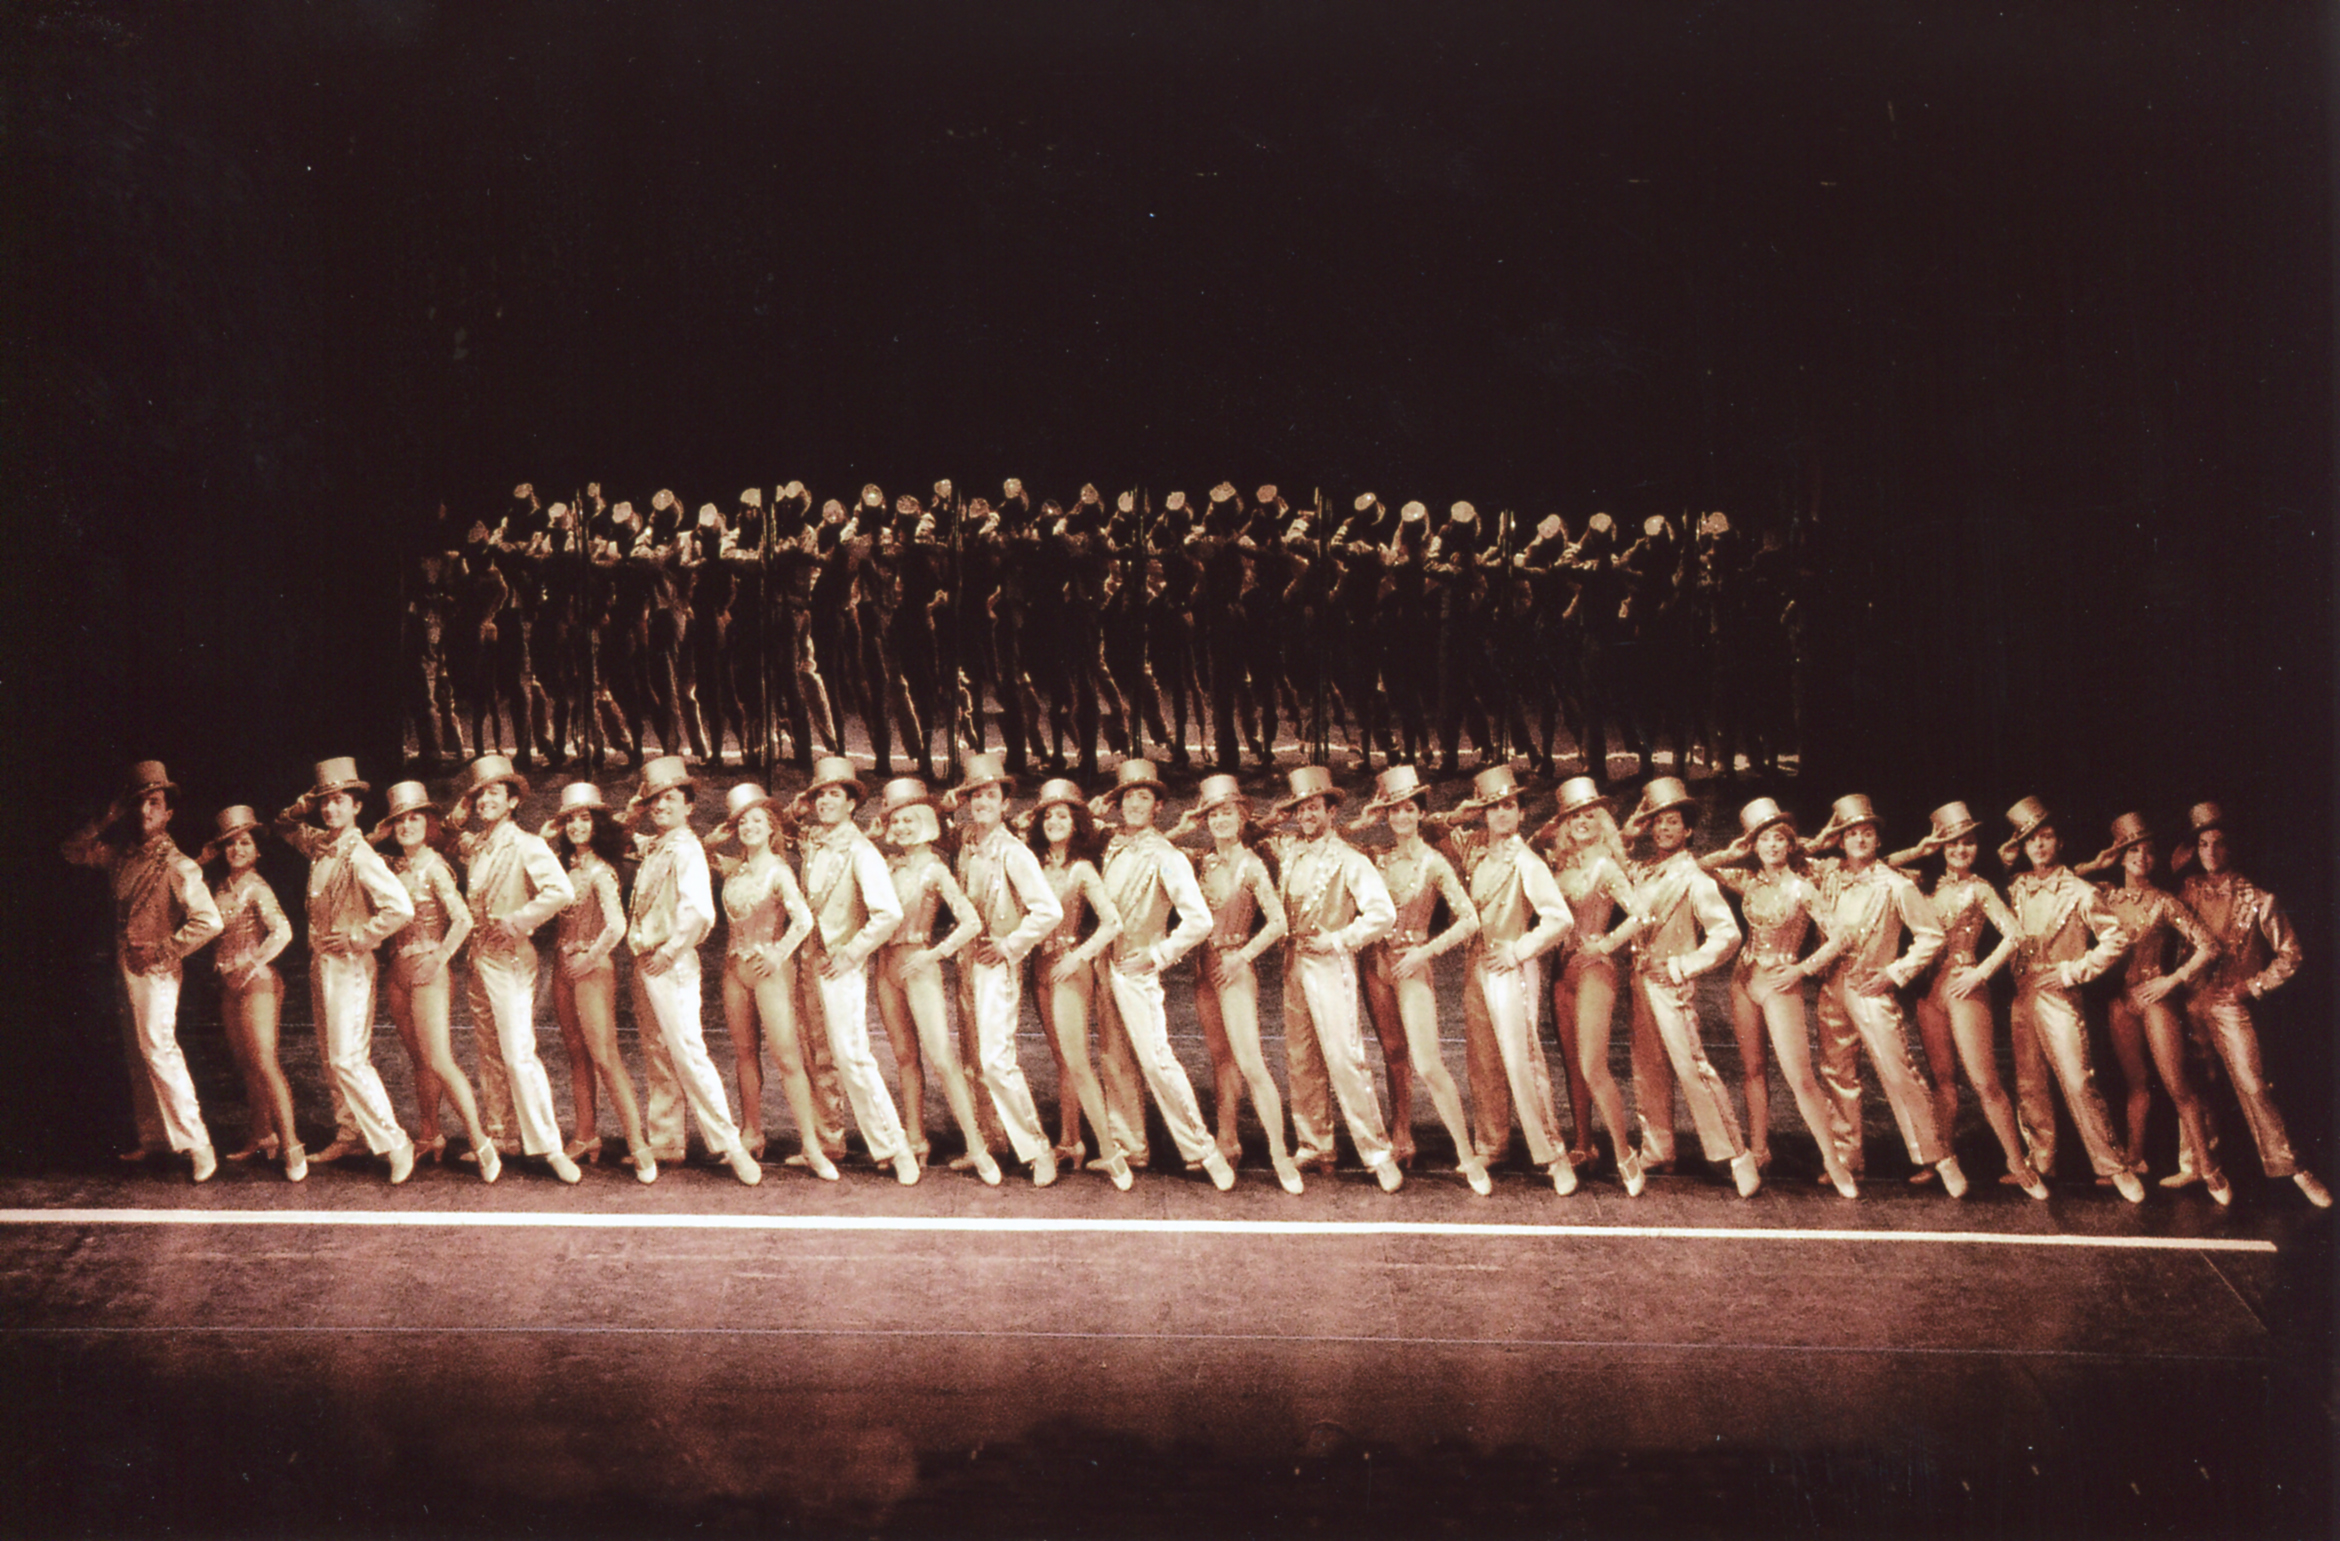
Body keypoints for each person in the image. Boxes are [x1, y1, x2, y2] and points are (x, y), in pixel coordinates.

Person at [1798, 794, 1969, 1196]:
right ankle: (1847, 1160)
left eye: (1867, 833)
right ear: (1840, 840)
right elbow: (1790, 854)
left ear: (1878, 839)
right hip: (1832, 987)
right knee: (1838, 1074)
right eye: (1851, 834)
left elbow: (1932, 937)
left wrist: (1893, 973)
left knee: (1898, 1071)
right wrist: (1823, 838)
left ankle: (1939, 1157)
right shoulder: (1828, 874)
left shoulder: (1896, 884)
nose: (1859, 840)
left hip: (1871, 987)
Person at [63, 762, 224, 1182]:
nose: (144, 812)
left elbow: (209, 921)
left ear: (169, 812)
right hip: (125, 964)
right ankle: (154, 1137)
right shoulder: (122, 857)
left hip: (156, 968)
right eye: (138, 803)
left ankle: (198, 1142)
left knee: (158, 1047)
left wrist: (163, 949)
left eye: (154, 803)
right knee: (138, 1050)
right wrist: (108, 817)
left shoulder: (178, 864)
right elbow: (72, 851)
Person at [947, 754, 1102, 1186]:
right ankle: (990, 1142)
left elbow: (1048, 911)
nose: (981, 802)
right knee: (973, 1060)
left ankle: (1037, 1148)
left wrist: (1010, 945)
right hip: (967, 962)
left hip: (996, 963)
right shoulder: (967, 842)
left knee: (996, 1060)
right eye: (975, 795)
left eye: (989, 795)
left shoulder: (1013, 852)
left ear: (1005, 804)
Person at [1885, 802, 2050, 1199]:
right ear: (1941, 847)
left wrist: (1980, 972)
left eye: (1969, 842)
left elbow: (2015, 935)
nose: (1961, 850)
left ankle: (2019, 1164)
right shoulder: (1920, 883)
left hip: (1964, 986)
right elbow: (1880, 866)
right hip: (1929, 991)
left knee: (1984, 1081)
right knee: (1942, 1082)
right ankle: (1942, 1158)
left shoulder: (1980, 887)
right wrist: (1919, 850)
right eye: (1953, 843)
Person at [2172, 802, 2331, 1208]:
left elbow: (2291, 954)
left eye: (2218, 843)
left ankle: (2293, 1168)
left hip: (2228, 1003)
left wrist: (2253, 986)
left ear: (2231, 847)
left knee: (2254, 1084)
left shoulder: (2259, 899)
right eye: (2202, 844)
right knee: (2192, 1082)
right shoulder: (2187, 889)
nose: (2210, 852)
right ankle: (2196, 1163)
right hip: (2189, 1002)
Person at [1431, 765, 1580, 1195]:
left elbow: (1560, 919)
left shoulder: (1527, 862)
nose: (1500, 813)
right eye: (1493, 807)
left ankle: (1554, 1154)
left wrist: (1518, 950)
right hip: (1477, 964)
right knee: (1482, 1058)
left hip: (1510, 965)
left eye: (1508, 805)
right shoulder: (1475, 848)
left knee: (1522, 1061)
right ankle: (1492, 1144)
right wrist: (1462, 812)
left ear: (1521, 813)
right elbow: (1434, 828)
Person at [1088, 758, 1236, 1188]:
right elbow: (1082, 823)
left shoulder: (1167, 857)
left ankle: (1203, 1149)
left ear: (1158, 806)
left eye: (1143, 797)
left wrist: (1158, 954)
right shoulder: (1112, 844)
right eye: (1127, 797)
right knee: (1114, 1056)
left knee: (1156, 1059)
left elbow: (1199, 920)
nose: (1134, 805)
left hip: (1136, 968)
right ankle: (1130, 1145)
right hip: (1106, 964)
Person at [1700, 797, 1859, 1197]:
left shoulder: (1802, 888)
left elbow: (1842, 936)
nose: (1771, 845)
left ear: (1790, 844)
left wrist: (1801, 969)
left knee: (1800, 1078)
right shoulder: (1749, 881)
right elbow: (1700, 867)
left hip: (1781, 982)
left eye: (1778, 838)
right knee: (1752, 1070)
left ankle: (1834, 1161)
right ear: (1753, 846)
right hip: (1743, 979)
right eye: (1763, 839)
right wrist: (1731, 851)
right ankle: (1759, 1150)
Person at [871, 776, 1025, 1185]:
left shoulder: (935, 868)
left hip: (920, 965)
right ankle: (915, 1138)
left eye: (909, 819)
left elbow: (971, 922)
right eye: (895, 821)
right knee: (904, 1057)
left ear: (924, 819)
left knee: (942, 1059)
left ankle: (977, 1146)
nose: (901, 827)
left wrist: (934, 954)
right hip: (885, 967)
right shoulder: (888, 864)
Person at [1349, 765, 1494, 1195]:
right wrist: (1363, 821)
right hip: (1375, 964)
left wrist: (1425, 952)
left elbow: (1469, 920)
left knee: (1428, 1063)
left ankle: (1467, 1156)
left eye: (1408, 809)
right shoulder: (1376, 856)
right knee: (1393, 1053)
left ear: (1420, 813)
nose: (1400, 817)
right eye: (1393, 810)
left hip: (1412, 965)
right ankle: (1401, 1135)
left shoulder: (1434, 863)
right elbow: (1330, 841)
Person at [274, 758, 418, 1182]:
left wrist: (359, 936)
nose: (330, 809)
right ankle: (351, 1131)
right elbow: (282, 826)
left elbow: (401, 908)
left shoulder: (360, 854)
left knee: (347, 1058)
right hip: (323, 963)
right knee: (329, 1057)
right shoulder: (321, 845)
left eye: (339, 801)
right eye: (325, 802)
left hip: (350, 964)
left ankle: (395, 1141)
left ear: (357, 806)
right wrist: (304, 803)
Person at [1993, 796, 2142, 1202]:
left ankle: (2114, 1166)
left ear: (2059, 841)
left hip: (2059, 994)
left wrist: (2071, 972)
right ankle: (2040, 1160)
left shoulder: (2080, 891)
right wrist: (2004, 860)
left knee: (2077, 1081)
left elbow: (2116, 940)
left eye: (2046, 837)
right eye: (2031, 840)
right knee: (2029, 1081)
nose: (2039, 845)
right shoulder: (2019, 886)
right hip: (2024, 992)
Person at [624, 755, 763, 1184]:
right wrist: (633, 811)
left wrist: (670, 950)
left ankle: (731, 1145)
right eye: (655, 800)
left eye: (670, 798)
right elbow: (619, 839)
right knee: (657, 1050)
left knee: (687, 1050)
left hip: (671, 962)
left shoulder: (685, 849)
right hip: (648, 960)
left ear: (689, 806)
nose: (660, 806)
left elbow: (700, 911)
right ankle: (667, 1141)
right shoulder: (659, 845)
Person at [1164, 775, 1305, 1194]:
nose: (1219, 821)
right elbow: (1155, 851)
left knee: (1251, 1061)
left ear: (1242, 818)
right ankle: (1228, 1140)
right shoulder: (1201, 861)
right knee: (1220, 1058)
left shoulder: (1252, 865)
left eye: (1226, 813)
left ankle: (1280, 1155)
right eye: (1212, 815)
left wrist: (1243, 956)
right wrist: (1183, 826)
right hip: (1205, 968)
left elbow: (1278, 922)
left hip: (1236, 967)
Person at [1265, 765, 1404, 1191]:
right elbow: (1252, 833)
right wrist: (1274, 817)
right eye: (1300, 808)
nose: (1306, 815)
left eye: (1314, 807)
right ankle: (1315, 1143)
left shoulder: (1350, 859)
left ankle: (1377, 1152)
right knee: (1301, 1055)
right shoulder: (1290, 851)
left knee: (1345, 1057)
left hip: (1329, 963)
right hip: (1295, 962)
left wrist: (1339, 940)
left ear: (1330, 810)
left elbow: (1383, 914)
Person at [1619, 776, 1760, 1196]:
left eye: (1673, 822)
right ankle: (1658, 1146)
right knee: (1646, 1067)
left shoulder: (1695, 878)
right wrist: (1628, 834)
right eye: (1658, 821)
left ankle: (1737, 1155)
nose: (1664, 828)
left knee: (1692, 1067)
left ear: (1689, 829)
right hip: (1640, 980)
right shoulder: (1642, 870)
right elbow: (1609, 866)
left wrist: (1683, 966)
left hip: (1671, 984)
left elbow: (1727, 935)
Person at [444, 755, 581, 1184]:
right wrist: (458, 814)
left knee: (518, 1053)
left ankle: (550, 1146)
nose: (485, 800)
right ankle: (501, 1134)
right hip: (479, 958)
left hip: (510, 957)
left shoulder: (526, 844)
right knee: (489, 1050)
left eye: (494, 793)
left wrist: (519, 921)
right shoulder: (478, 844)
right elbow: (445, 836)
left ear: (513, 800)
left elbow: (561, 891)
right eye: (479, 794)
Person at [2075, 812, 2222, 1200]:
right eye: (2133, 851)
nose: (2141, 857)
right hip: (2121, 1001)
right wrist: (2096, 863)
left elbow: (2209, 945)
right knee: (2135, 1085)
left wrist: (2171, 980)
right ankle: (2135, 1159)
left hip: (2156, 999)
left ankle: (2209, 1169)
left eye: (2148, 851)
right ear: (2121, 857)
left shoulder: (2164, 901)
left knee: (2177, 1085)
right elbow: (2062, 881)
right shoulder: (2104, 895)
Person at [792, 756, 922, 1184]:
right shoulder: (814, 841)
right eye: (819, 795)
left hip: (840, 965)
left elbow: (888, 913)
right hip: (810, 961)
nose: (824, 802)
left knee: (852, 1055)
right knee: (817, 1052)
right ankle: (829, 1140)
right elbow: (786, 829)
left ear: (851, 803)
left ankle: (895, 1147)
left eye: (834, 794)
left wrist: (850, 953)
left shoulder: (862, 851)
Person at [370, 782, 500, 1183]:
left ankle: (481, 1141)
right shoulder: (392, 866)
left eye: (415, 818)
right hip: (397, 971)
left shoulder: (435, 866)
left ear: (429, 824)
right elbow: (354, 852)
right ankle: (430, 1134)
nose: (407, 826)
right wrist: (376, 834)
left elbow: (463, 919)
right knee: (419, 1060)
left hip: (429, 971)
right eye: (399, 821)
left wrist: (440, 958)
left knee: (440, 1059)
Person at [1528, 776, 1648, 1193]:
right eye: (1573, 816)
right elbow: (1531, 848)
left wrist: (1606, 944)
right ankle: (1583, 1144)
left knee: (1593, 1064)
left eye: (1589, 815)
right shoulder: (1561, 866)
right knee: (1571, 1063)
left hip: (1596, 968)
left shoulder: (1606, 866)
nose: (1582, 822)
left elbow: (1641, 914)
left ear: (1602, 823)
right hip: (1562, 970)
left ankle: (1624, 1153)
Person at [703, 782, 824, 1179]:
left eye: (757, 821)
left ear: (772, 827)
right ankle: (752, 1132)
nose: (748, 828)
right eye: (742, 823)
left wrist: (777, 953)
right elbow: (699, 855)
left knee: (787, 1057)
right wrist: (714, 838)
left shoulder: (778, 870)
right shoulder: (734, 868)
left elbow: (803, 920)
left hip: (768, 970)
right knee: (744, 1054)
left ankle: (811, 1145)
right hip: (734, 969)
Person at [1021, 777, 1137, 1187]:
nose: (1053, 822)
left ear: (1076, 824)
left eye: (1062, 816)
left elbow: (1112, 923)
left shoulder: (1083, 869)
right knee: (1061, 1061)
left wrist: (1079, 956)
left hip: (1070, 967)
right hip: (1039, 967)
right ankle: (1070, 1141)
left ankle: (1111, 1153)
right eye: (1047, 816)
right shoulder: (1034, 865)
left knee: (1078, 1063)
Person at [542, 782, 657, 1182]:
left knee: (605, 1056)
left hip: (591, 969)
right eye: (570, 820)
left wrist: (589, 958)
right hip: (563, 967)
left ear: (597, 825)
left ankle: (639, 1145)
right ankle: (586, 1134)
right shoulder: (567, 867)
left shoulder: (601, 871)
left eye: (584, 819)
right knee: (576, 1054)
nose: (576, 826)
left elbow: (617, 926)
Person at [199, 807, 301, 1179]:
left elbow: (283, 931)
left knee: (264, 1061)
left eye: (244, 843)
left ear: (257, 850)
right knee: (246, 1064)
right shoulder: (218, 888)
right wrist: (200, 862)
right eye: (230, 844)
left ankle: (292, 1145)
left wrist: (254, 962)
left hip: (258, 982)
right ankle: (262, 1134)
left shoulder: (258, 887)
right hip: (229, 984)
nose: (237, 850)